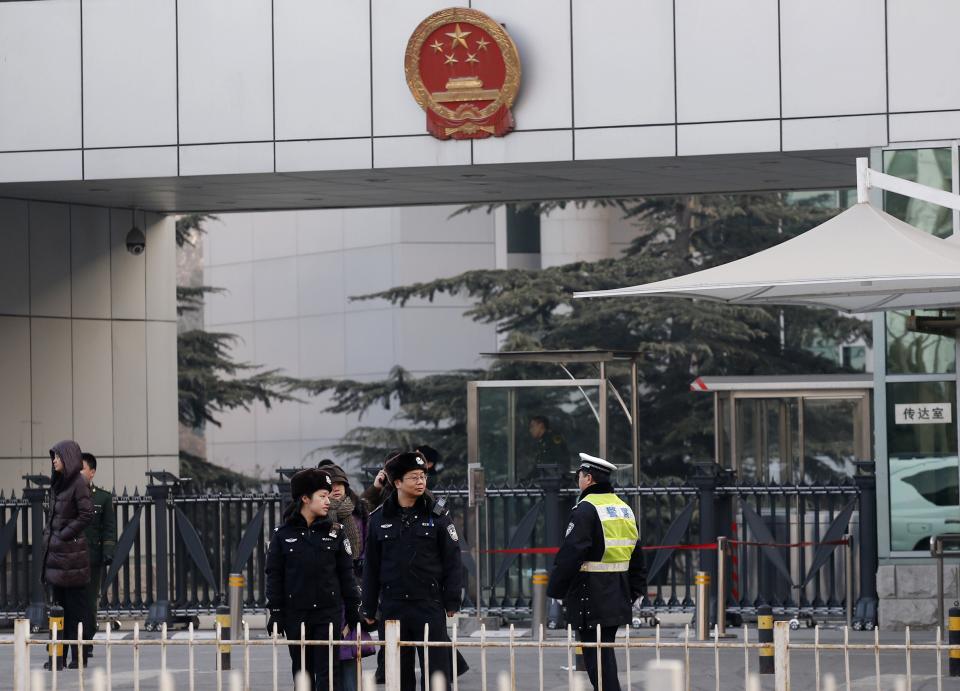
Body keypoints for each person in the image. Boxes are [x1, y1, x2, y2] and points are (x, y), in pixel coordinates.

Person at [361, 452, 463, 691]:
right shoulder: (379, 519)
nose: (421, 482)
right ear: (397, 482)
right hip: (393, 606)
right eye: (414, 477)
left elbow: (452, 559)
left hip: (428, 603)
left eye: (423, 476)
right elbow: (372, 566)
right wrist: (368, 606)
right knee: (398, 673)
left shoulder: (437, 515)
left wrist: (451, 601)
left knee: (436, 672)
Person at [547, 453, 646, 691]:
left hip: (589, 594)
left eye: (579, 475)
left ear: (588, 478)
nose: (578, 480)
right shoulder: (623, 509)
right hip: (616, 593)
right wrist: (635, 591)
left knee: (597, 659)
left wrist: (556, 591)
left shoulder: (586, 509)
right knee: (604, 653)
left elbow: (572, 553)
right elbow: (637, 554)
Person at [266, 469, 361, 691]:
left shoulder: (336, 533)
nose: (328, 501)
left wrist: (353, 609)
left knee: (328, 675)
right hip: (295, 614)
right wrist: (276, 612)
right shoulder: (282, 535)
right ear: (305, 498)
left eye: (329, 495)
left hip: (327, 614)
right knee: (302, 674)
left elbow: (347, 575)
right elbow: (274, 576)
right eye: (322, 496)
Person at [42, 440, 94, 671]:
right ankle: (57, 657)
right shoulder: (58, 484)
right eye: (53, 457)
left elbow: (86, 515)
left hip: (72, 559)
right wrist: (49, 536)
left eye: (57, 457)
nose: (54, 461)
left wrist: (63, 534)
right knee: (58, 610)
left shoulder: (78, 483)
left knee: (76, 611)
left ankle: (78, 657)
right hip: (57, 558)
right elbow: (54, 517)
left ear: (69, 458)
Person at [78, 452, 116, 665]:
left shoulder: (102, 497)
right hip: (71, 558)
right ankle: (70, 640)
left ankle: (87, 639)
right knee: (70, 601)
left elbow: (109, 528)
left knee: (90, 603)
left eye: (82, 468)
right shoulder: (70, 495)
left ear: (92, 472)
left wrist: (107, 552)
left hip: (91, 558)